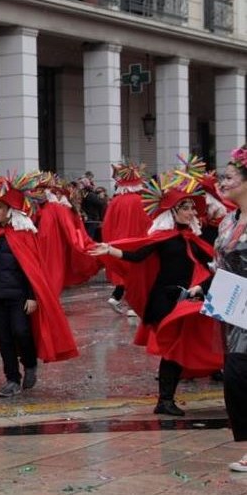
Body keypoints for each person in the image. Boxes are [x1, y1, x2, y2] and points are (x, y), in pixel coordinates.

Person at [90, 175, 223, 416]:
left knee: (185, 346)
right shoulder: (164, 237)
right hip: (166, 299)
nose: (192, 211)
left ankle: (169, 397)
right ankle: (164, 400)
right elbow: (137, 255)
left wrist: (203, 285)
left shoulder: (194, 238)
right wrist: (110, 249)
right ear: (173, 211)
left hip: (187, 299)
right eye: (186, 207)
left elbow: (210, 265)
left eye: (193, 207)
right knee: (173, 349)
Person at [0, 174, 79, 397]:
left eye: (0, 207)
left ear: (11, 210)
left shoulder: (23, 235)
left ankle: (29, 363)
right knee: (3, 338)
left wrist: (32, 296)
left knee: (21, 332)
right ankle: (12, 378)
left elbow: (33, 269)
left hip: (19, 294)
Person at [203, 146, 247, 471]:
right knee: (235, 378)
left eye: (229, 177)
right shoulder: (227, 222)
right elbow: (220, 265)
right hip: (235, 312)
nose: (223, 182)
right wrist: (201, 288)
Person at [102, 163, 151, 317]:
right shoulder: (141, 201)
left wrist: (109, 241)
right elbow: (147, 222)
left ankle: (116, 297)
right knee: (136, 273)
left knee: (124, 273)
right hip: (136, 241)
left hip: (118, 242)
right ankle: (132, 306)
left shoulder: (115, 201)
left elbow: (107, 223)